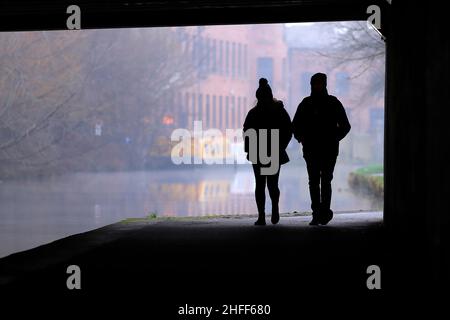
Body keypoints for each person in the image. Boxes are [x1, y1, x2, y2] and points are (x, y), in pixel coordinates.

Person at [292, 73, 351, 226]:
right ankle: (321, 213)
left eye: (317, 83)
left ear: (323, 84)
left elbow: (295, 126)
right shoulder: (331, 103)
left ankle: (320, 213)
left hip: (318, 149)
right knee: (322, 181)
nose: (316, 86)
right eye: (314, 83)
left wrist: (302, 138)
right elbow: (345, 126)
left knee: (319, 181)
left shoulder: (307, 103)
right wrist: (334, 138)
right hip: (324, 149)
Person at [243, 78, 292, 226]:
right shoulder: (279, 111)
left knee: (260, 184)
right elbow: (288, 130)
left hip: (258, 152)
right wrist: (281, 146)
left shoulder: (253, 113)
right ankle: (274, 210)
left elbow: (247, 131)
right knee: (272, 183)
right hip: (274, 151)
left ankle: (262, 216)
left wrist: (250, 149)